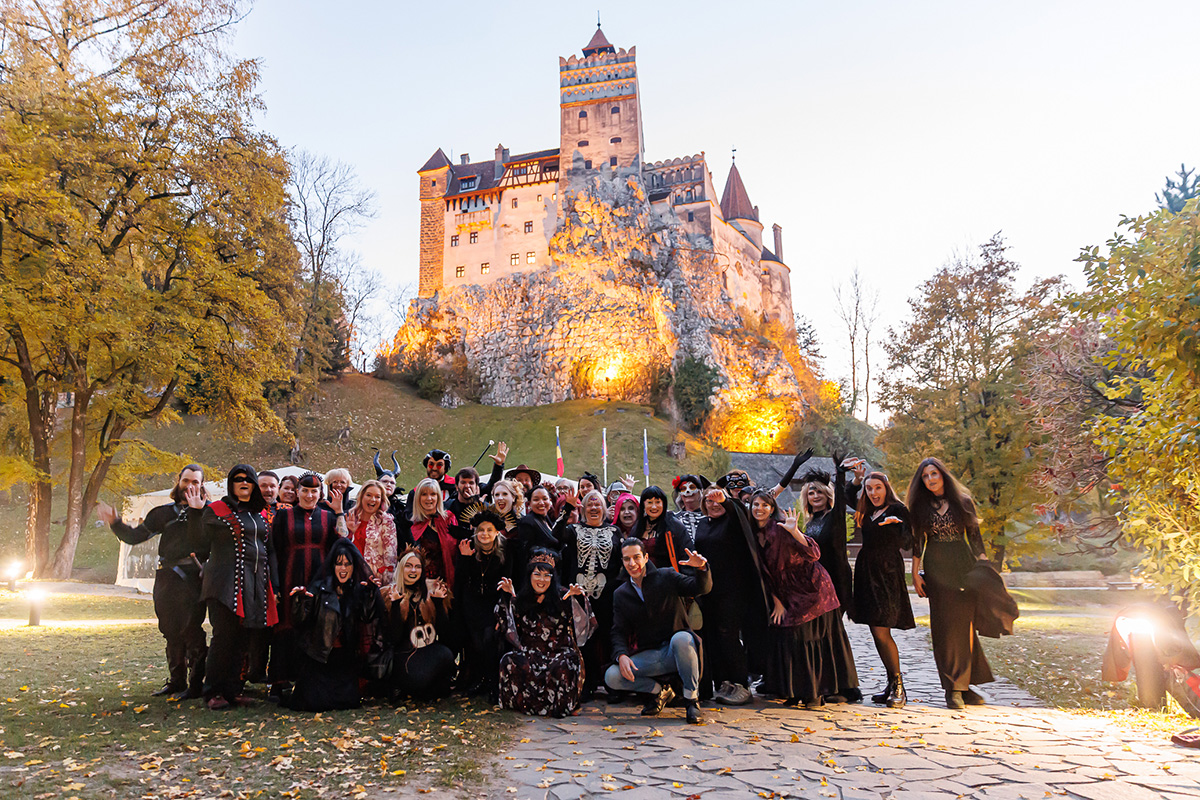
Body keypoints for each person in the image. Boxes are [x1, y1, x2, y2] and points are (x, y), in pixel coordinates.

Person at [98, 464, 209, 699]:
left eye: (195, 482)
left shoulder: (209, 512)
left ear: (202, 485)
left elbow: (206, 543)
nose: (190, 486)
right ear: (179, 481)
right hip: (167, 577)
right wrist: (116, 522)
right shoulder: (162, 513)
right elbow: (135, 536)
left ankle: (196, 685)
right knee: (169, 630)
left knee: (191, 630)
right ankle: (176, 681)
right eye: (186, 480)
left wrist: (197, 511)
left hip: (193, 577)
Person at [750, 489, 859, 709]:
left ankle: (814, 693)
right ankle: (795, 690)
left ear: (772, 509)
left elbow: (814, 553)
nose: (759, 509)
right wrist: (777, 601)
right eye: (755, 505)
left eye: (765, 505)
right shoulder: (753, 535)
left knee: (809, 639)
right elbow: (764, 573)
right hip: (787, 593)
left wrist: (795, 532)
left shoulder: (781, 529)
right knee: (789, 639)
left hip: (812, 588)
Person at [907, 457, 994, 709]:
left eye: (934, 473)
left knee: (964, 626)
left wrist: (984, 567)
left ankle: (964, 686)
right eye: (925, 476)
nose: (930, 479)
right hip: (936, 567)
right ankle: (952, 689)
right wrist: (915, 574)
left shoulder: (963, 502)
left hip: (962, 565)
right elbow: (917, 542)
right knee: (944, 627)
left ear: (942, 474)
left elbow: (976, 539)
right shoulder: (920, 506)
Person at [189, 464, 277, 710]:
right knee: (223, 637)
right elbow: (198, 543)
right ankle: (213, 691)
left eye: (248, 479)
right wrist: (196, 513)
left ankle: (232, 690)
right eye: (238, 479)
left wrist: (273, 585)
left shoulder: (260, 515)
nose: (243, 483)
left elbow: (268, 550)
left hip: (251, 584)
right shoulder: (216, 510)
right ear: (232, 483)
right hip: (222, 583)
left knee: (241, 639)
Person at [605, 538, 712, 724]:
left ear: (646, 557)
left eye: (637, 557)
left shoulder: (666, 576)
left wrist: (701, 569)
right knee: (612, 676)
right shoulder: (621, 594)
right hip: (651, 656)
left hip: (678, 651)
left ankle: (691, 700)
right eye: (627, 559)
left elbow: (700, 588)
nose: (632, 564)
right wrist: (621, 655)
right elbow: (618, 631)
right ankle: (660, 692)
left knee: (682, 638)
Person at [269, 472, 344, 696]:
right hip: (290, 575)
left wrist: (339, 511)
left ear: (320, 493)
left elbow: (340, 542)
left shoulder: (329, 517)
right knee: (286, 625)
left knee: (315, 624)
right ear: (297, 492)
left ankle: (310, 678)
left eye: (314, 491)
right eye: (305, 491)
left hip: (319, 576)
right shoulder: (284, 516)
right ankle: (280, 680)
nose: (309, 495)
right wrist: (275, 583)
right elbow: (275, 550)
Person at [286, 538, 383, 711]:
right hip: (320, 659)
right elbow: (299, 621)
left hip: (344, 661)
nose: (343, 569)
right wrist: (299, 601)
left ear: (353, 567)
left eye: (347, 564)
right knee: (314, 703)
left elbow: (367, 617)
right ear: (333, 566)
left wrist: (370, 595)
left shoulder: (357, 590)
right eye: (339, 564)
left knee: (348, 703)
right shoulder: (319, 588)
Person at [694, 485, 766, 706]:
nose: (714, 505)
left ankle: (741, 683)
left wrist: (726, 501)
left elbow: (740, 513)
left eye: (718, 501)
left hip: (733, 590)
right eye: (709, 501)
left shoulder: (734, 521)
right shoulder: (703, 525)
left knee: (729, 635)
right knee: (713, 637)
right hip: (709, 590)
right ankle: (724, 681)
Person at [496, 549, 588, 718]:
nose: (541, 580)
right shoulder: (521, 597)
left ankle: (560, 707)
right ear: (530, 575)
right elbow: (506, 621)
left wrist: (576, 599)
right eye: (537, 574)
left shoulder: (563, 595)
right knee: (508, 660)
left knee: (564, 664)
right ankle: (522, 706)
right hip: (530, 652)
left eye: (547, 576)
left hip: (559, 652)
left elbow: (583, 623)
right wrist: (508, 596)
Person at [852, 471, 915, 708]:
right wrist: (856, 479)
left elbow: (910, 542)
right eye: (869, 488)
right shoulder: (867, 511)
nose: (873, 493)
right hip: (867, 573)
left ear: (886, 488)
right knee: (874, 630)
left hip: (887, 574)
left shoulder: (897, 510)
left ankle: (899, 686)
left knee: (881, 631)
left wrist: (898, 528)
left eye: (877, 487)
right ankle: (891, 684)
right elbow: (847, 494)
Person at [555, 489, 623, 700]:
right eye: (590, 504)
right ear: (583, 508)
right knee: (584, 639)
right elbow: (554, 535)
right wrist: (567, 508)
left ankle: (614, 685)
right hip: (579, 594)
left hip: (607, 594)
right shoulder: (573, 530)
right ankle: (587, 683)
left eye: (598, 505)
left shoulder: (615, 532)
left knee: (608, 637)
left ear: (604, 509)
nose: (594, 508)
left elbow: (621, 562)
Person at [453, 510, 512, 699]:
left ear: (496, 533)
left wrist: (503, 610)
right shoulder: (467, 548)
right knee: (476, 644)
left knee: (490, 641)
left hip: (493, 605)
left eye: (489, 530)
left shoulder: (507, 551)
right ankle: (481, 680)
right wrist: (466, 558)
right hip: (472, 605)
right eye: (481, 530)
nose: (484, 534)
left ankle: (495, 683)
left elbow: (507, 582)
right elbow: (461, 580)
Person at [385, 548, 456, 699]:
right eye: (409, 566)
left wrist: (438, 603)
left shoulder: (431, 591)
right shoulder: (389, 593)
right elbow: (393, 638)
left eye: (417, 566)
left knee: (447, 656)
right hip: (405, 653)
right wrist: (396, 606)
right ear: (401, 568)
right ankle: (403, 685)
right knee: (418, 679)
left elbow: (446, 636)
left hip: (429, 649)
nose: (413, 570)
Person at [400, 477, 460, 586]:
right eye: (424, 494)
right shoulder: (412, 523)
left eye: (433, 494)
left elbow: (455, 551)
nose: (429, 498)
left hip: (446, 579)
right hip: (420, 582)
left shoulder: (449, 518)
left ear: (438, 497)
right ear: (418, 498)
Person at [344, 479, 399, 591]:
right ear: (361, 496)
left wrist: (384, 581)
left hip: (375, 579)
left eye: (377, 497)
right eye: (369, 495)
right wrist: (351, 532)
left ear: (382, 500)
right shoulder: (350, 516)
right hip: (350, 574)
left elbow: (390, 556)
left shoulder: (386, 521)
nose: (373, 499)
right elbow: (341, 547)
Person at [634, 486, 692, 571]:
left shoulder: (675, 526)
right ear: (643, 505)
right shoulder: (638, 526)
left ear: (663, 504)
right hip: (641, 578)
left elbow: (686, 555)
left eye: (658, 502)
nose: (654, 507)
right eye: (650, 502)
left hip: (669, 578)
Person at [511, 484, 563, 578]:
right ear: (529, 503)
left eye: (544, 499)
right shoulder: (527, 522)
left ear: (550, 501)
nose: (541, 503)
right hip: (537, 576)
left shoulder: (546, 519)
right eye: (536, 500)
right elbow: (527, 553)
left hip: (551, 574)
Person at [671, 474, 707, 542]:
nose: (688, 491)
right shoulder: (674, 519)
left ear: (700, 492)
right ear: (681, 495)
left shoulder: (709, 516)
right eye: (683, 489)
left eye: (692, 487)